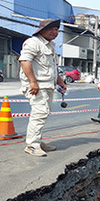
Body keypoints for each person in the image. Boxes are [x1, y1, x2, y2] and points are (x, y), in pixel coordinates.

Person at [19, 18, 66, 157]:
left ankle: (37, 141)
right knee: (39, 114)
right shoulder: (33, 42)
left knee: (43, 114)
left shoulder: (51, 45)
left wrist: (60, 81)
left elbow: (53, 67)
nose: (54, 32)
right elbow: (25, 61)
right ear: (42, 30)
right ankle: (32, 145)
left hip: (47, 85)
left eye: (56, 29)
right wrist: (33, 82)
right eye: (51, 29)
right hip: (37, 86)